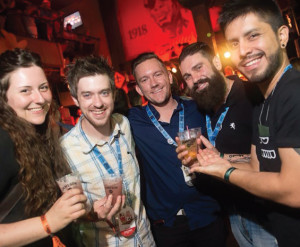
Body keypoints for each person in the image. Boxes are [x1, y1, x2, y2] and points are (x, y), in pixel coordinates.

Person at [185, 0, 300, 246]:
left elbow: (295, 190)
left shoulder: (294, 93)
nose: (243, 50)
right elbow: (258, 168)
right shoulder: (262, 102)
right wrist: (220, 160)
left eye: (253, 36)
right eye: (234, 43)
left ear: (282, 35)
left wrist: (226, 172)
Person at [178, 42, 276, 247]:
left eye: (198, 67)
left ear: (216, 62)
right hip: (233, 213)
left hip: (266, 213)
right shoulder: (203, 106)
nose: (195, 79)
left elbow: (272, 161)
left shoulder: (253, 96)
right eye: (187, 76)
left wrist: (222, 159)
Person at [128, 52, 226, 247]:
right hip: (168, 226)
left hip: (208, 215)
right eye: (145, 80)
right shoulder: (132, 120)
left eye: (158, 74)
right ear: (139, 89)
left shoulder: (198, 108)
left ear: (169, 77)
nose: (154, 83)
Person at [60, 55, 155, 246]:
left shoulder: (124, 125)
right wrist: (92, 214)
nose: (98, 103)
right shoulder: (65, 149)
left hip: (146, 239)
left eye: (104, 92)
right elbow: (68, 215)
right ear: (75, 99)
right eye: (87, 95)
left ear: (113, 93)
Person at [0, 48, 87, 246]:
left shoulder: (42, 131)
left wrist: (86, 214)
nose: (39, 99)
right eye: (25, 90)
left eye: (43, 87)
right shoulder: (4, 140)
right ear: (3, 97)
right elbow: (48, 219)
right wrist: (48, 223)